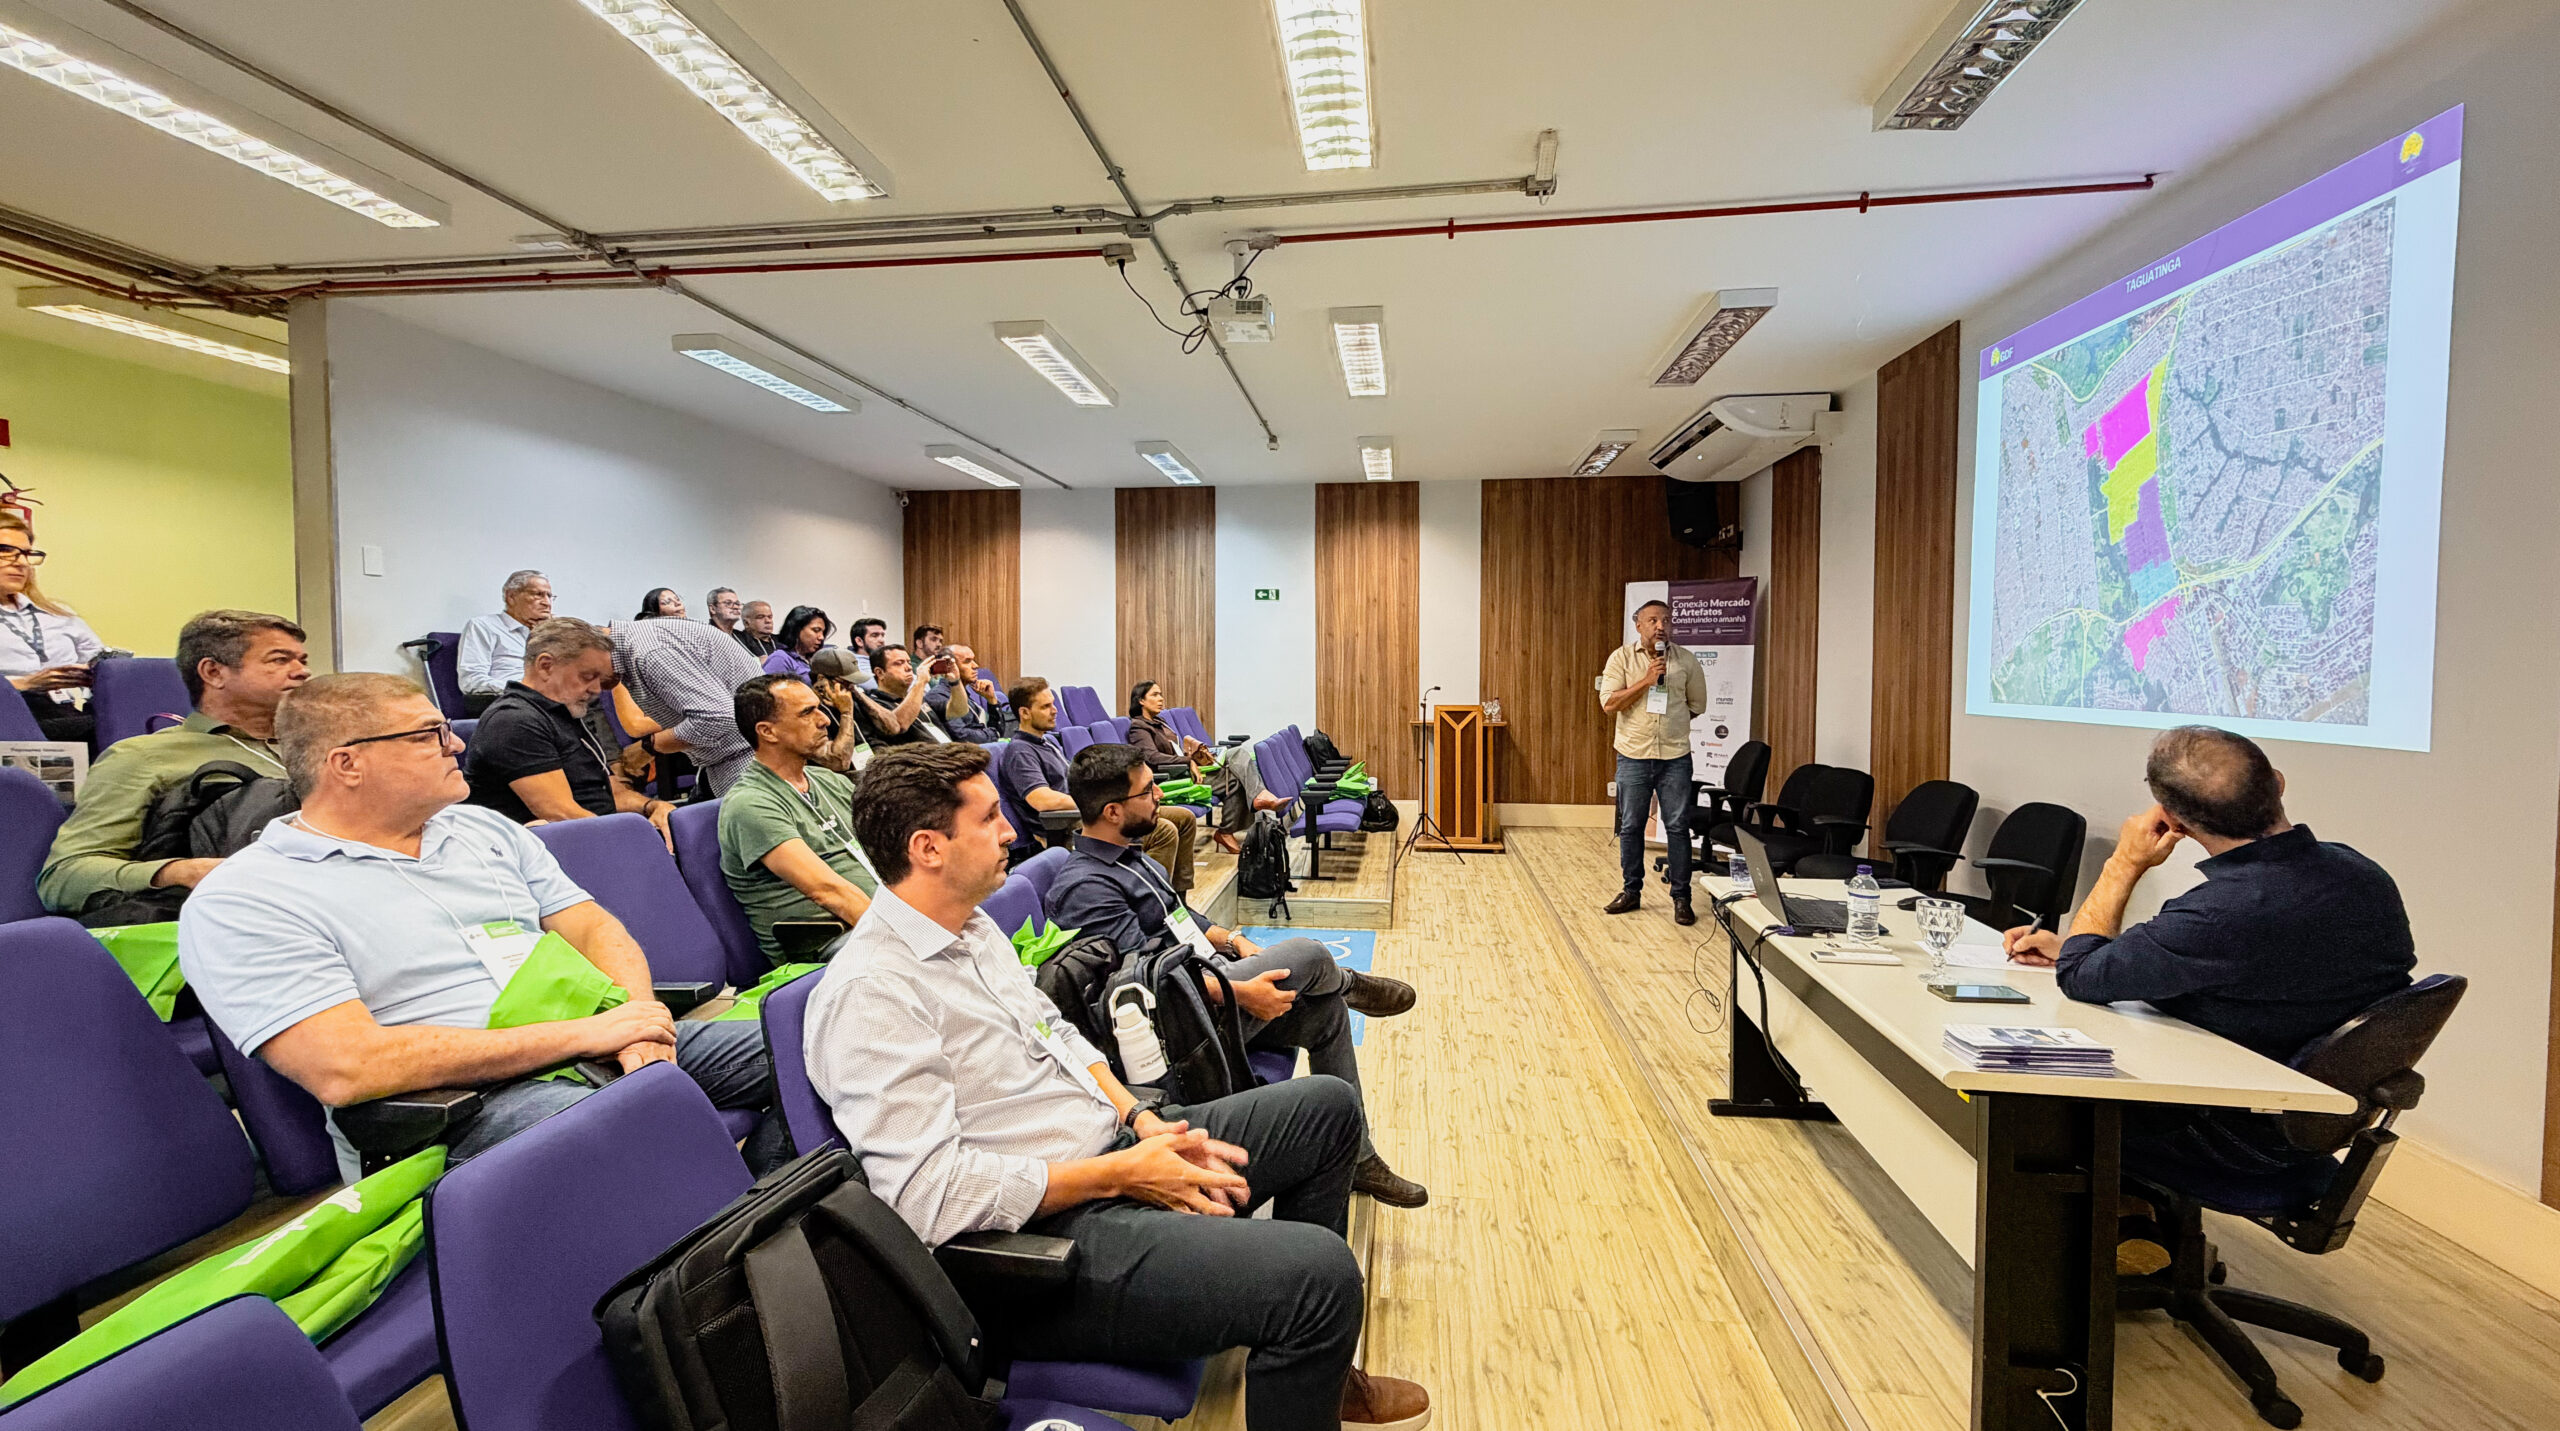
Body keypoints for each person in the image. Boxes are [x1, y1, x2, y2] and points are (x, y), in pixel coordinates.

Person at [804, 743, 1433, 1431]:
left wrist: (1139, 1117)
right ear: (928, 847)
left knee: (1328, 1110)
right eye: (988, 818)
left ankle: (1311, 1364)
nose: (1012, 830)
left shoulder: (971, 927)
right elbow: (927, 1197)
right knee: (1320, 1275)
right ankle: (1304, 1322)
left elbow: (1056, 1033)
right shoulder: (871, 992)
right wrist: (1121, 1174)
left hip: (1114, 1148)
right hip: (1043, 1247)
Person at [176, 673, 783, 1183]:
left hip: (596, 1039)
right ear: (347, 763)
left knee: (816, 1045)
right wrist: (584, 1035)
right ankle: (723, 1259)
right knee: (640, 1124)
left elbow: (595, 929)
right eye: (429, 735)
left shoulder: (482, 830)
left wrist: (639, 1024)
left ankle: (769, 1218)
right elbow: (347, 1067)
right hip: (462, 1103)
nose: (457, 745)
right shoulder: (248, 896)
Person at [2004, 727, 2415, 1213]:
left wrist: (2125, 862)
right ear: (2277, 783)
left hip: (2226, 1133)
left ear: (2174, 821)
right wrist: (2087, 953)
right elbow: (2260, 973)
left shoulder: (2222, 912)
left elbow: (2078, 978)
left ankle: (2128, 1234)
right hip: (2308, 1123)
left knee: (2023, 1101)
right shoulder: (2362, 874)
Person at [1049, 742, 1427, 1208]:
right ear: (1112, 811)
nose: (1160, 796)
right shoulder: (1084, 888)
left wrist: (1233, 941)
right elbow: (1140, 989)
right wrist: (1238, 991)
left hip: (1206, 984)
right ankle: (1347, 983)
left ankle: (1358, 1159)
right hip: (1178, 1027)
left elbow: (1182, 918)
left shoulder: (1134, 856)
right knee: (1307, 953)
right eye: (1147, 791)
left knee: (1325, 1013)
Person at [40, 610, 309, 924]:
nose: (302, 671)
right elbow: (63, 878)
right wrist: (182, 872)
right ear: (213, 672)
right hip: (235, 919)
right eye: (280, 660)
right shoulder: (142, 757)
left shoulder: (327, 750)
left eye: (302, 660)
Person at [463, 618, 674, 846]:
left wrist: (651, 806)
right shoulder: (514, 721)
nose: (596, 689)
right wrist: (636, 843)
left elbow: (611, 794)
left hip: (592, 837)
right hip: (559, 850)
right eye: (588, 676)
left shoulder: (566, 713)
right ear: (545, 666)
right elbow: (561, 815)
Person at [717, 674, 879, 965]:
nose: (824, 720)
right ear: (768, 732)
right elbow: (828, 892)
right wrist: (907, 933)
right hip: (829, 944)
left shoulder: (828, 780)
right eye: (807, 713)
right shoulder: (750, 804)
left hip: (873, 922)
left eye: (819, 708)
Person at [999, 678, 1195, 883]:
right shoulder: (1020, 751)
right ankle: (1146, 895)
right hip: (1070, 825)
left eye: (1053, 704)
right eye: (1045, 706)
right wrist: (1099, 802)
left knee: (1184, 818)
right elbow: (1042, 800)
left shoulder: (1046, 742)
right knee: (1163, 831)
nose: (1055, 711)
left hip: (1088, 813)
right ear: (1025, 713)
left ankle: (1177, 896)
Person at [1598, 599, 1707, 926]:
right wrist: (1646, 681)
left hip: (1675, 757)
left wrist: (1670, 725)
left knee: (1677, 827)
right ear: (1639, 625)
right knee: (1631, 826)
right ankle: (1631, 891)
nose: (1661, 626)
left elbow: (1696, 705)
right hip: (1633, 755)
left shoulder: (1686, 660)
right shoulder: (1621, 658)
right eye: (1654, 620)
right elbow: (1609, 704)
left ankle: (1682, 897)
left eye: (1667, 620)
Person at [606, 616, 764, 795]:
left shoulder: (651, 653)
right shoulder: (641, 643)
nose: (594, 689)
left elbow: (718, 718)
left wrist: (651, 745)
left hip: (746, 757)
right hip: (734, 754)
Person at [0, 511, 105, 744]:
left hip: (66, 712)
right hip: (9, 717)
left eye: (26, 554)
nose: (21, 562)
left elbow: (102, 663)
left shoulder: (58, 615)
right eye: (5, 550)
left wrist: (97, 673)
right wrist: (26, 684)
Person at [1127, 679, 1238, 854]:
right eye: (1155, 695)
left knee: (1237, 766)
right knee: (1233, 780)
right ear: (1141, 700)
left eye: (1161, 694)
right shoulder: (1139, 727)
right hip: (1173, 777)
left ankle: (1231, 827)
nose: (1161, 699)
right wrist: (1187, 761)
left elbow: (1174, 749)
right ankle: (1229, 829)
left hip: (1184, 770)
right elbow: (1151, 757)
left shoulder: (1160, 722)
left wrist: (1191, 758)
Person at [456, 570, 552, 715]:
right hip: (507, 701)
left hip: (549, 698)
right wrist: (523, 689)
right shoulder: (484, 626)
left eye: (549, 596)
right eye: (538, 595)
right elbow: (471, 681)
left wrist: (553, 634)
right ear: (511, 597)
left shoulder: (549, 633)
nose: (547, 603)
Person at [850, 644, 967, 749]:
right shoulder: (875, 705)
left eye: (909, 662)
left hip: (949, 753)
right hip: (925, 761)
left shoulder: (918, 698)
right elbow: (899, 724)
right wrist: (921, 682)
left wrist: (955, 681)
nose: (909, 668)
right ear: (880, 673)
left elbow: (958, 711)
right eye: (899, 663)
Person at [932, 644, 1006, 743]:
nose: (975, 666)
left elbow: (999, 732)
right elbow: (963, 737)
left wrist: (991, 700)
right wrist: (993, 733)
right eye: (967, 661)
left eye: (973, 660)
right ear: (949, 666)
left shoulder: (966, 695)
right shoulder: (939, 696)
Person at [762, 605, 831, 682]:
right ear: (797, 629)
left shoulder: (816, 660)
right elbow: (768, 688)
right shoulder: (780, 659)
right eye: (816, 630)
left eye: (823, 632)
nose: (821, 637)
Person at [845, 615, 888, 682]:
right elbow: (880, 685)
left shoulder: (884, 660)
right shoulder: (854, 666)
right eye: (874, 635)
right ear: (859, 641)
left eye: (882, 635)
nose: (882, 640)